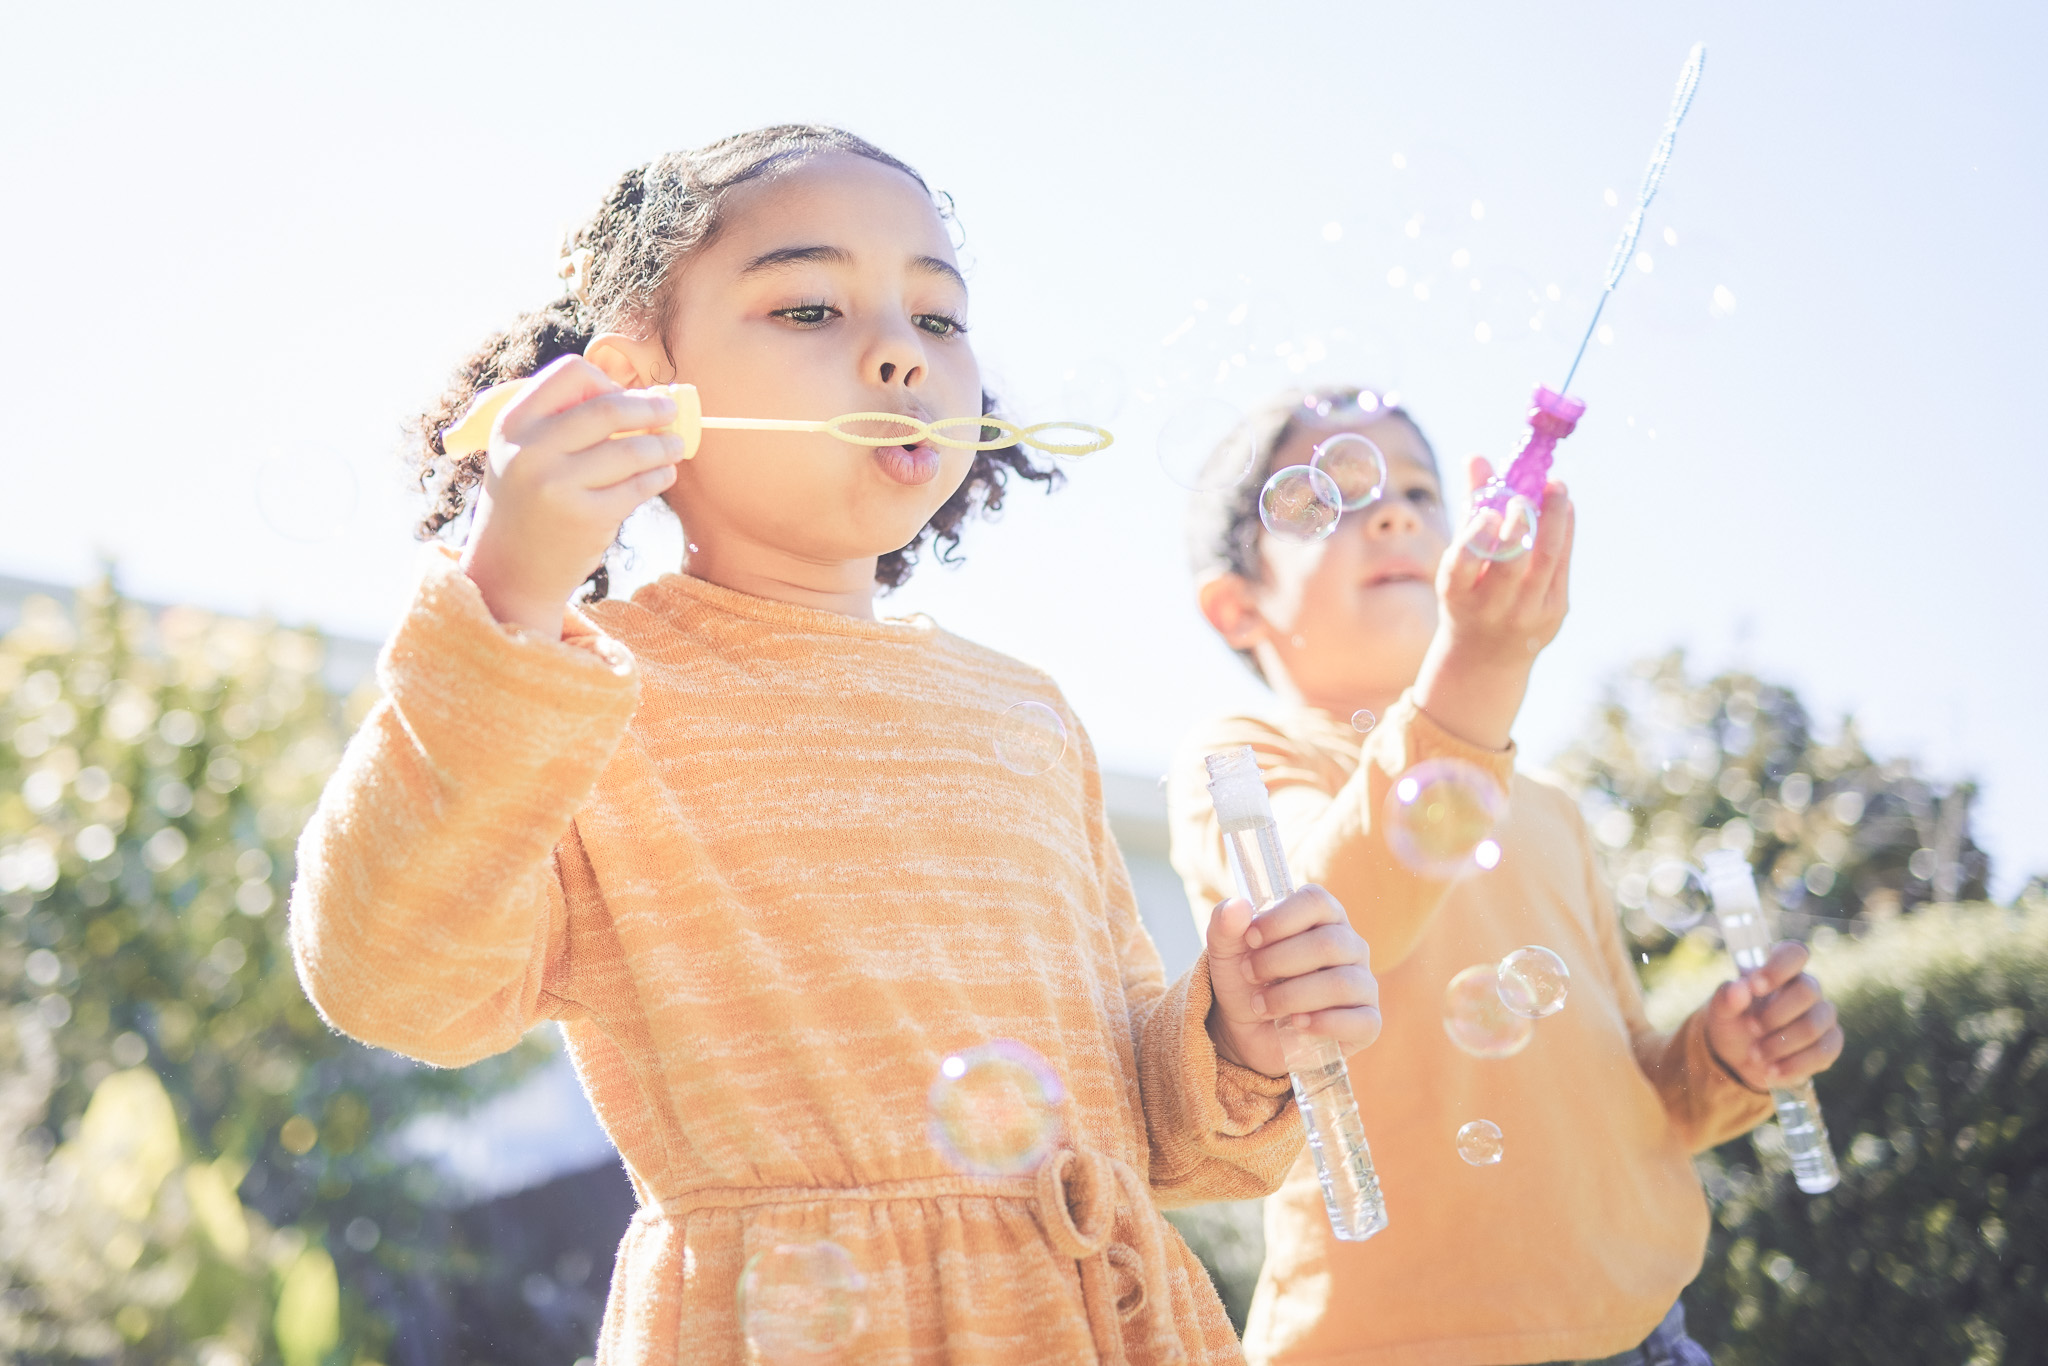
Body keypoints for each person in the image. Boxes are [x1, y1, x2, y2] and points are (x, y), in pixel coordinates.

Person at [288, 127, 1383, 1365]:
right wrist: (504, 599)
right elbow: (390, 973)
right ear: (637, 378)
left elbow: (1144, 1131)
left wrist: (1234, 1035)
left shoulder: (1024, 715)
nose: (896, 352)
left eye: (938, 315)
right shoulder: (572, 694)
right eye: (809, 305)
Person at [1166, 387, 1844, 1366]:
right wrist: (1476, 664)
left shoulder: (1547, 810)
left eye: (1415, 488)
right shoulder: (1245, 757)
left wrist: (1723, 1056)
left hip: (1639, 1334)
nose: (1393, 510)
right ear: (1237, 604)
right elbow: (1323, 932)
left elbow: (1641, 1095)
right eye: (1338, 495)